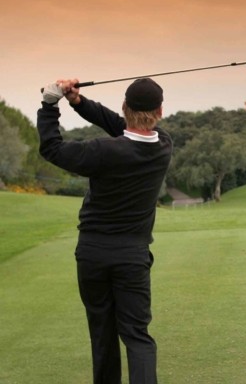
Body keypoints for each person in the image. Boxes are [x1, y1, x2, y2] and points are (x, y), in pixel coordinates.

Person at [37, 77, 173, 384]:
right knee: (137, 335)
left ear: (124, 107)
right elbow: (121, 126)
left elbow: (52, 148)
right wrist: (78, 102)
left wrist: (49, 105)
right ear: (160, 112)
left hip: (93, 254)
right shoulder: (163, 145)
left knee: (102, 333)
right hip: (132, 256)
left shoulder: (102, 151)